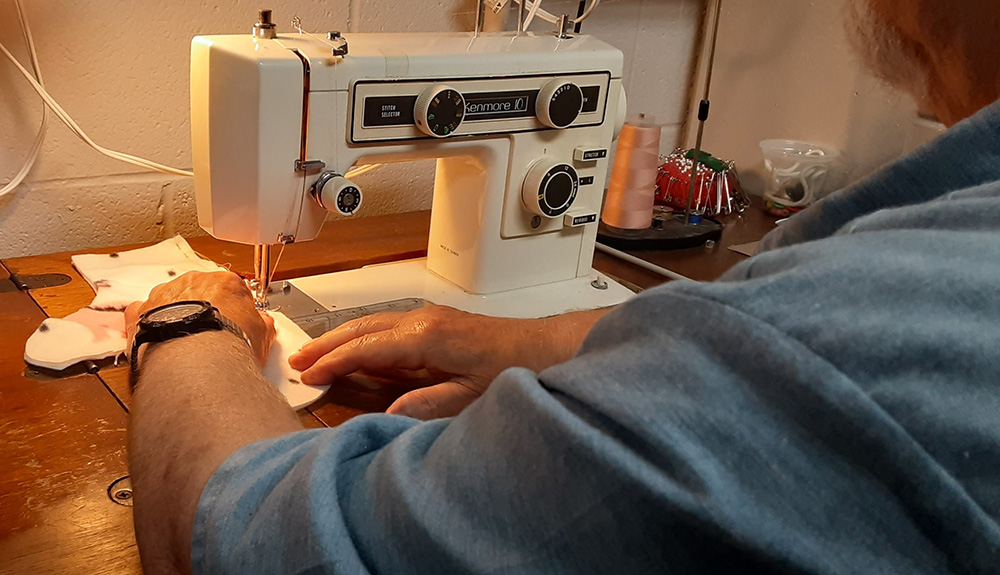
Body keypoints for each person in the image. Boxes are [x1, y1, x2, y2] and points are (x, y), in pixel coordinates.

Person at [126, 1, 1000, 573]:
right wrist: (538, 340)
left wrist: (188, 316)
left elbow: (253, 545)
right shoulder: (940, 236)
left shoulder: (845, 334)